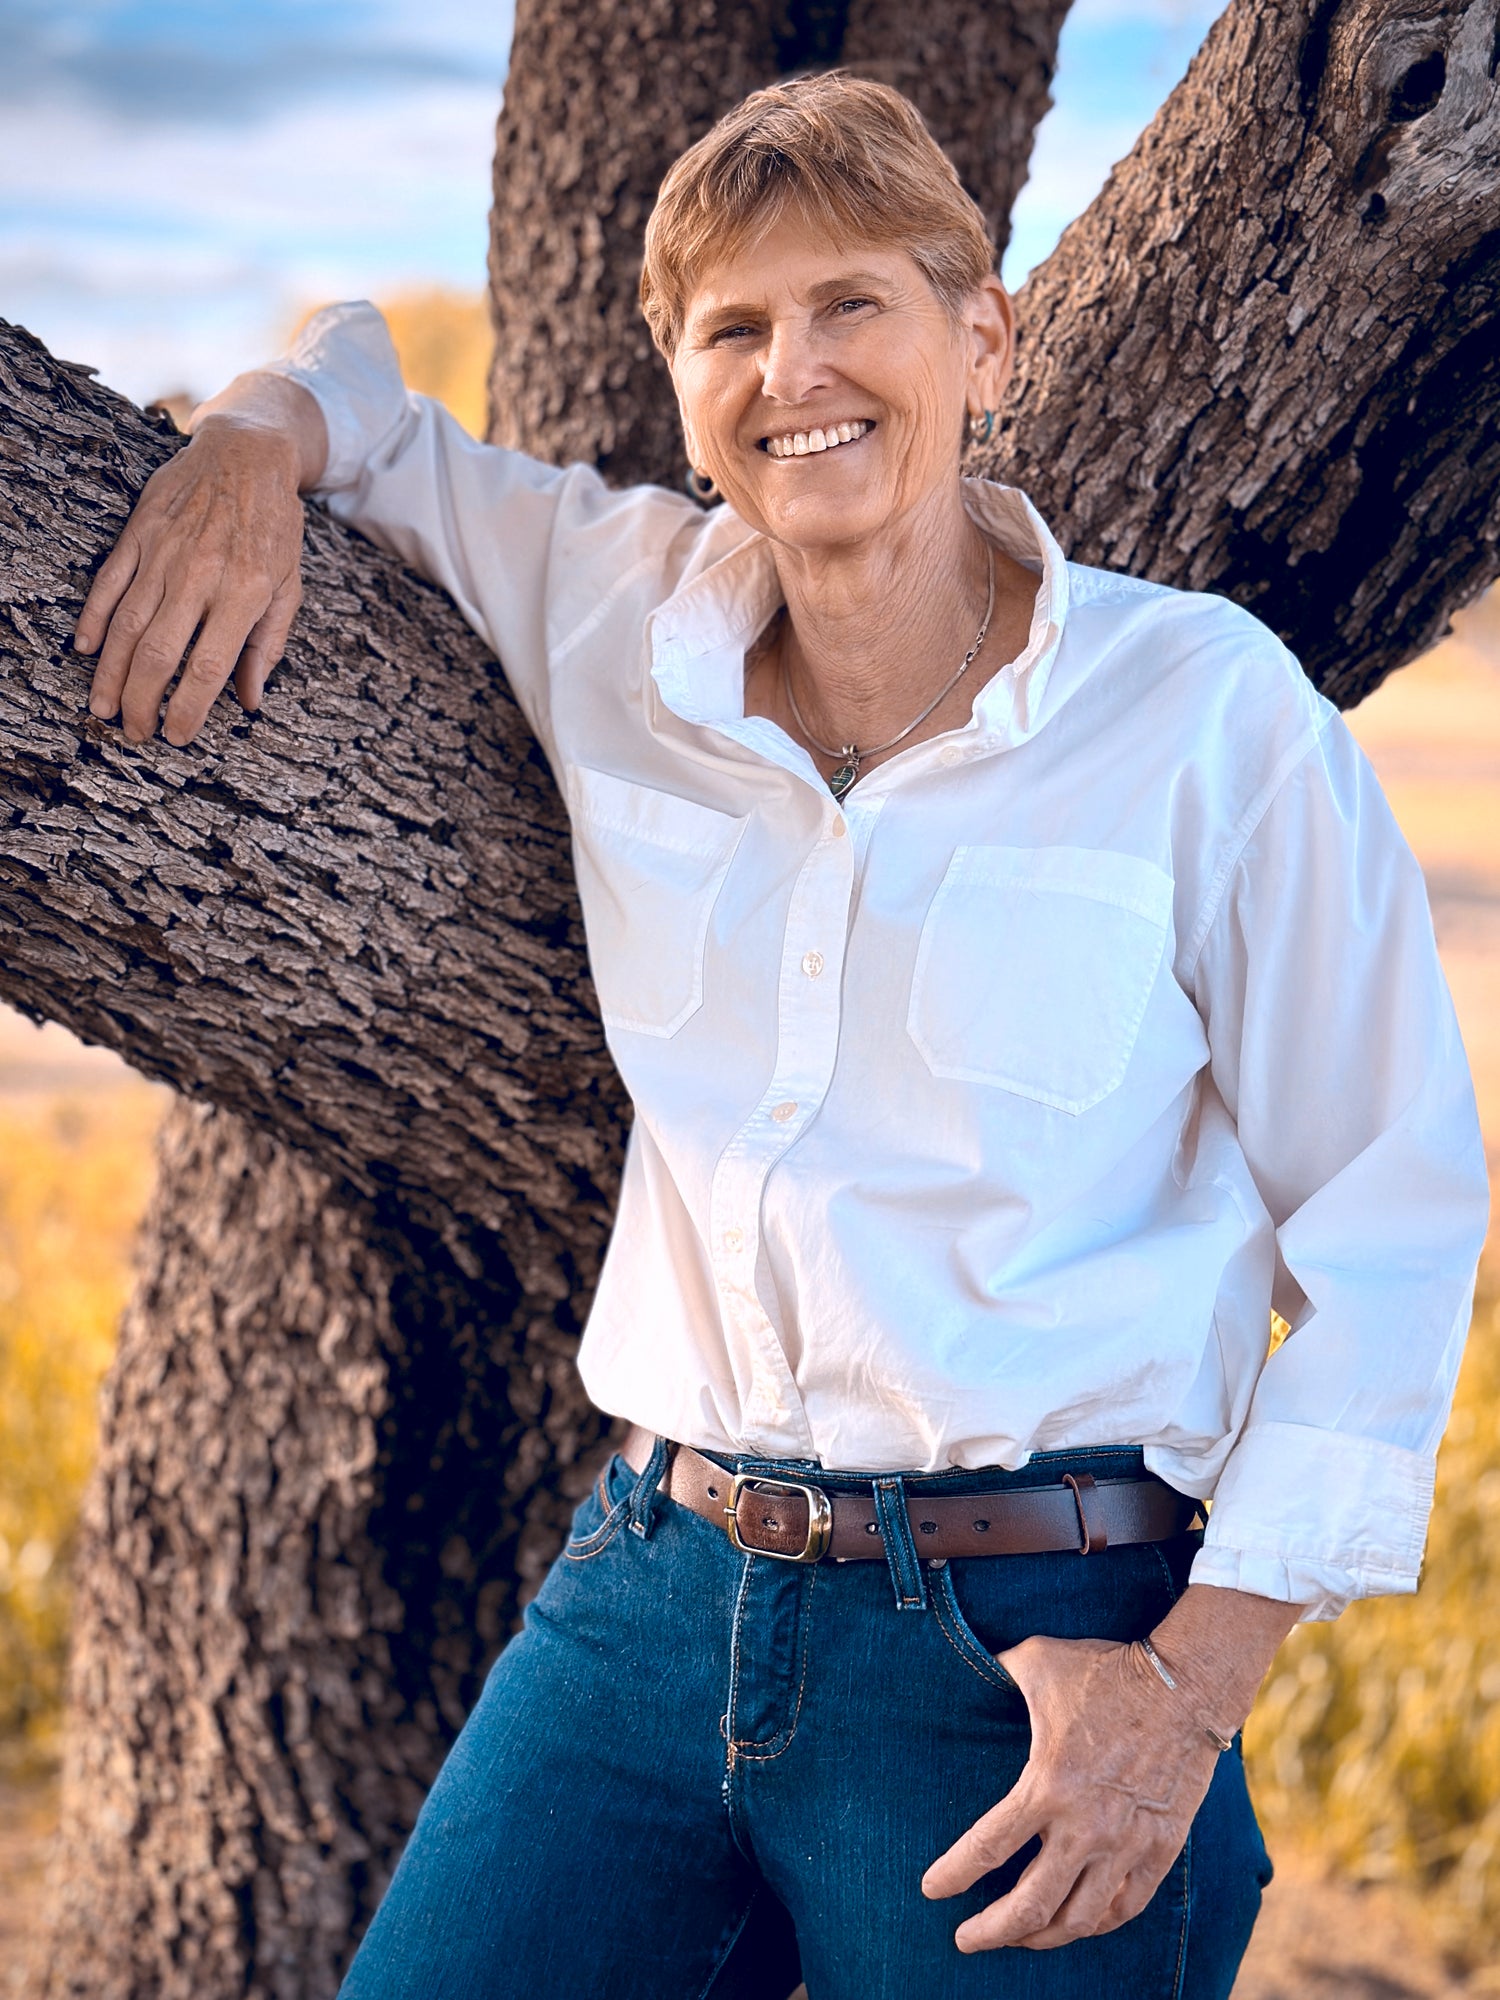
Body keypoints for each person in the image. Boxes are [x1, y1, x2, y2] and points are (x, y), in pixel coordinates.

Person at [73, 72, 1488, 2000]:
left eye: (853, 307)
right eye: (733, 327)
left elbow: (1395, 1228)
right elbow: (364, 395)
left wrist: (1187, 1694)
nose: (792, 370)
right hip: (651, 1591)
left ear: (978, 339)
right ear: (678, 378)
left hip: (1036, 1642)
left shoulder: (1208, 720)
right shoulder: (613, 605)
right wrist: (244, 444)